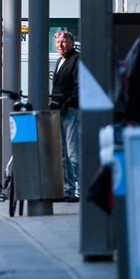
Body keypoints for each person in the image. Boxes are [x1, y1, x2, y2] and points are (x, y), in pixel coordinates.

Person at [50, 30, 81, 202]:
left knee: (73, 153)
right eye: (57, 42)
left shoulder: (77, 59)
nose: (60, 45)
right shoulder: (59, 61)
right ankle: (69, 191)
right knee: (63, 154)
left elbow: (79, 86)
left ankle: (81, 191)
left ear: (71, 42)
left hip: (70, 111)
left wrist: (68, 103)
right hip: (58, 111)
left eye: (63, 41)